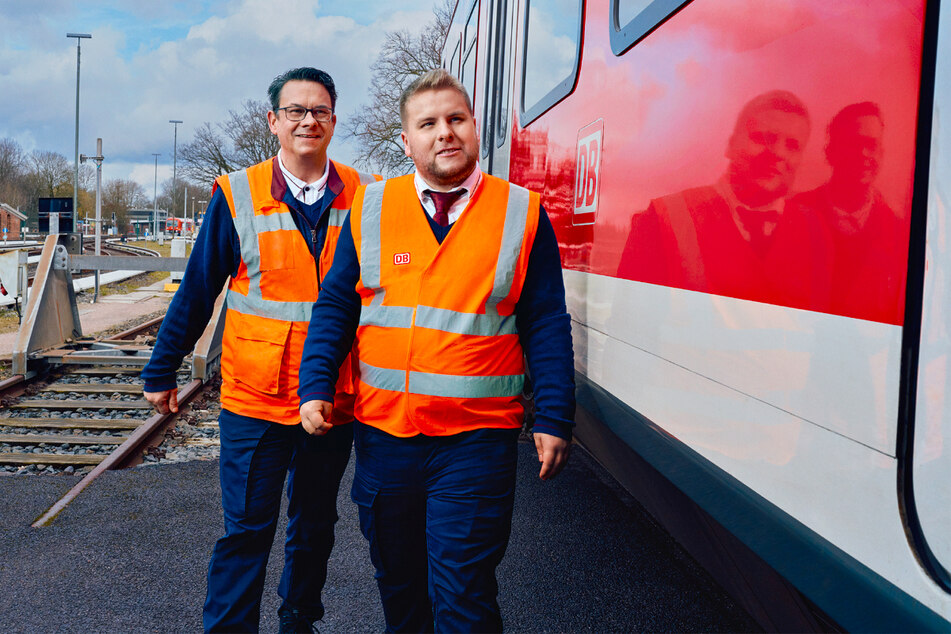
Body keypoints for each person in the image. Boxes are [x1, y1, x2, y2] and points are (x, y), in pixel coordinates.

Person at [297, 68, 575, 632]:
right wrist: (315, 385)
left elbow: (545, 320)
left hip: (475, 443)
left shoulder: (521, 213)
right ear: (407, 140)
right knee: (400, 590)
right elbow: (335, 307)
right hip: (386, 440)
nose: (444, 132)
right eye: (428, 123)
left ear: (475, 127)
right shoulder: (371, 211)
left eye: (456, 119)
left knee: (464, 594)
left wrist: (554, 415)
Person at [140, 67, 380, 633]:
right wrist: (162, 366)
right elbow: (200, 288)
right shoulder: (236, 194)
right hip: (256, 400)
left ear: (334, 121)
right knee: (246, 528)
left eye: (318, 111)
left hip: (333, 398)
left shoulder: (369, 195)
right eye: (294, 110)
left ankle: (299, 622)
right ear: (273, 122)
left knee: (315, 525)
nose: (307, 120)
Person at [617, 90, 832, 313]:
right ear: (730, 145)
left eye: (792, 146)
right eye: (761, 138)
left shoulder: (814, 230)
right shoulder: (663, 219)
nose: (777, 152)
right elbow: (626, 328)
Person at [790, 102, 907, 323]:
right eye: (853, 144)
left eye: (871, 145)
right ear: (830, 152)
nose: (863, 153)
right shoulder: (795, 214)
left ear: (881, 154)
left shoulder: (897, 232)